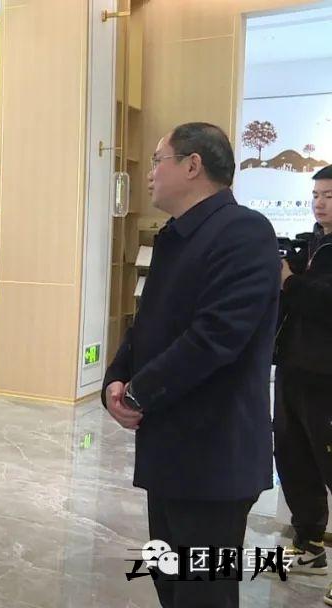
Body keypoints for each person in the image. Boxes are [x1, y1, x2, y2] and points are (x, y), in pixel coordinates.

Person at [102, 122, 280, 608]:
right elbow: (149, 324)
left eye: (158, 160)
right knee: (172, 584)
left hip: (214, 456)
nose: (150, 174)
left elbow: (215, 337)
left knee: (204, 594)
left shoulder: (244, 232)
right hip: (169, 449)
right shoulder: (177, 235)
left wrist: (138, 392)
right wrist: (115, 379)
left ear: (192, 165)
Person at [274, 167, 332, 583]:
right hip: (293, 368)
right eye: (316, 195)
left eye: (328, 196)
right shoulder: (309, 244)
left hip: (327, 375)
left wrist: (291, 283)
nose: (319, 203)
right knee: (294, 458)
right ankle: (309, 545)